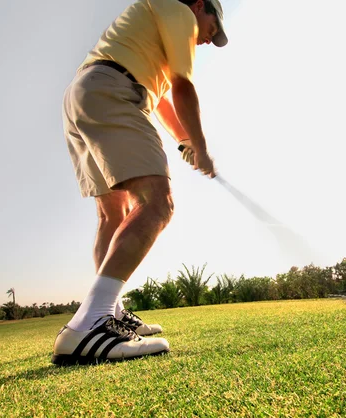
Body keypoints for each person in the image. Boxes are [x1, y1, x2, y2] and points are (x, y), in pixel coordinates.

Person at [52, 0, 228, 366]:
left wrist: (184, 141)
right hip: (115, 90)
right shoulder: (180, 12)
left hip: (84, 94)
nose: (209, 39)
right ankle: (90, 324)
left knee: (112, 217)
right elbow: (182, 87)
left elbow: (161, 97)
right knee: (158, 204)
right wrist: (203, 149)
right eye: (212, 28)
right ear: (200, 6)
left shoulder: (155, 29)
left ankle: (110, 314)